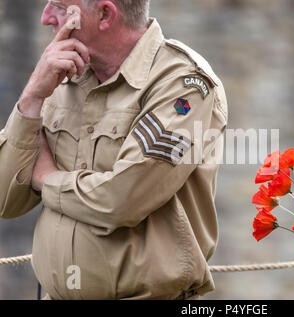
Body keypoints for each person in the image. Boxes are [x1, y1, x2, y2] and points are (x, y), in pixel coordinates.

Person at [0, 0, 227, 300]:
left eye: (60, 6)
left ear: (105, 14)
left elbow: (123, 199)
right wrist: (31, 98)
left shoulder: (182, 84)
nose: (45, 17)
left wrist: (46, 178)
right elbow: (5, 201)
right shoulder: (59, 76)